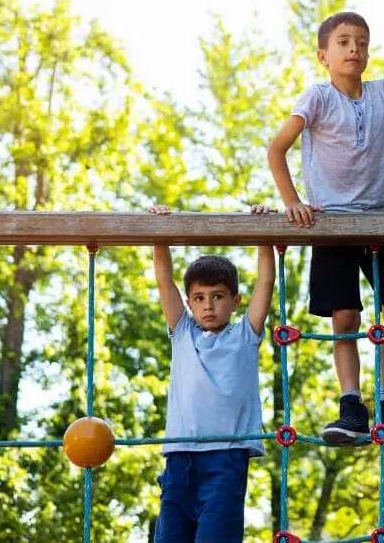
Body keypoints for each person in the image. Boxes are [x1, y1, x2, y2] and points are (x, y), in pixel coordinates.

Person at [266, 11, 384, 446]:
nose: (354, 50)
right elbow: (277, 149)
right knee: (346, 315)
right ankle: (350, 406)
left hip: (381, 218)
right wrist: (293, 203)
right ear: (323, 55)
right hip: (332, 222)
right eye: (344, 42)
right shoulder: (317, 98)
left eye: (362, 42)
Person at [148, 204, 276, 542]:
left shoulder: (245, 335)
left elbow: (266, 280)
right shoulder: (183, 333)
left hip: (226, 458)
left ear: (235, 300)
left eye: (217, 297)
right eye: (200, 298)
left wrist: (263, 232)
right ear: (189, 303)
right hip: (179, 457)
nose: (208, 305)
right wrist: (160, 235)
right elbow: (164, 282)